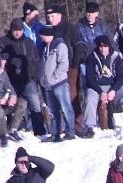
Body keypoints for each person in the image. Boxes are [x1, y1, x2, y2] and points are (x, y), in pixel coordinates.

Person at [0, 18, 45, 136]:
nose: (17, 33)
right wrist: (9, 59)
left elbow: (36, 61)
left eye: (20, 30)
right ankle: (16, 130)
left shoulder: (29, 43)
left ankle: (40, 132)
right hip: (10, 81)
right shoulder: (2, 42)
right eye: (15, 30)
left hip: (28, 81)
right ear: (11, 30)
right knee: (13, 106)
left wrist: (34, 77)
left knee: (35, 105)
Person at [83, 35, 123, 138]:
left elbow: (121, 77)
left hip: (113, 86)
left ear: (109, 47)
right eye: (101, 46)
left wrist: (113, 90)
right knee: (90, 98)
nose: (103, 49)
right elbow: (89, 79)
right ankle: (90, 127)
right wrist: (100, 92)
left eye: (105, 46)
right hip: (97, 87)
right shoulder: (92, 57)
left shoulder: (116, 57)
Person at [46, 5, 84, 133]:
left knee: (71, 96)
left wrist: (75, 66)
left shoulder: (70, 29)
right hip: (53, 69)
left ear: (59, 16)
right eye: (49, 17)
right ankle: (60, 126)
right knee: (55, 99)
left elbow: (79, 47)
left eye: (52, 16)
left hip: (70, 68)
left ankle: (77, 125)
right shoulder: (49, 30)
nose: (50, 19)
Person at [39, 25, 76, 142]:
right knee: (53, 111)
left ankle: (70, 131)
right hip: (48, 85)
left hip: (59, 83)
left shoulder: (60, 45)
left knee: (66, 108)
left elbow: (64, 64)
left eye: (42, 36)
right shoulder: (46, 48)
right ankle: (55, 134)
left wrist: (54, 77)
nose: (41, 38)